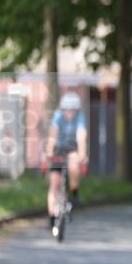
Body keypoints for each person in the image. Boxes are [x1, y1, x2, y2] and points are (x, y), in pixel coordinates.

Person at [45, 92, 88, 230]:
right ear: (62, 110)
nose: (69, 113)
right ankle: (52, 217)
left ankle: (74, 192)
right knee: (54, 184)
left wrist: (82, 155)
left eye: (72, 111)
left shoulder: (80, 118)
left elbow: (81, 138)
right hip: (59, 149)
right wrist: (49, 153)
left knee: (74, 164)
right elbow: (52, 137)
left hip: (72, 148)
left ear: (76, 111)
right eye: (67, 110)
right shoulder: (58, 117)